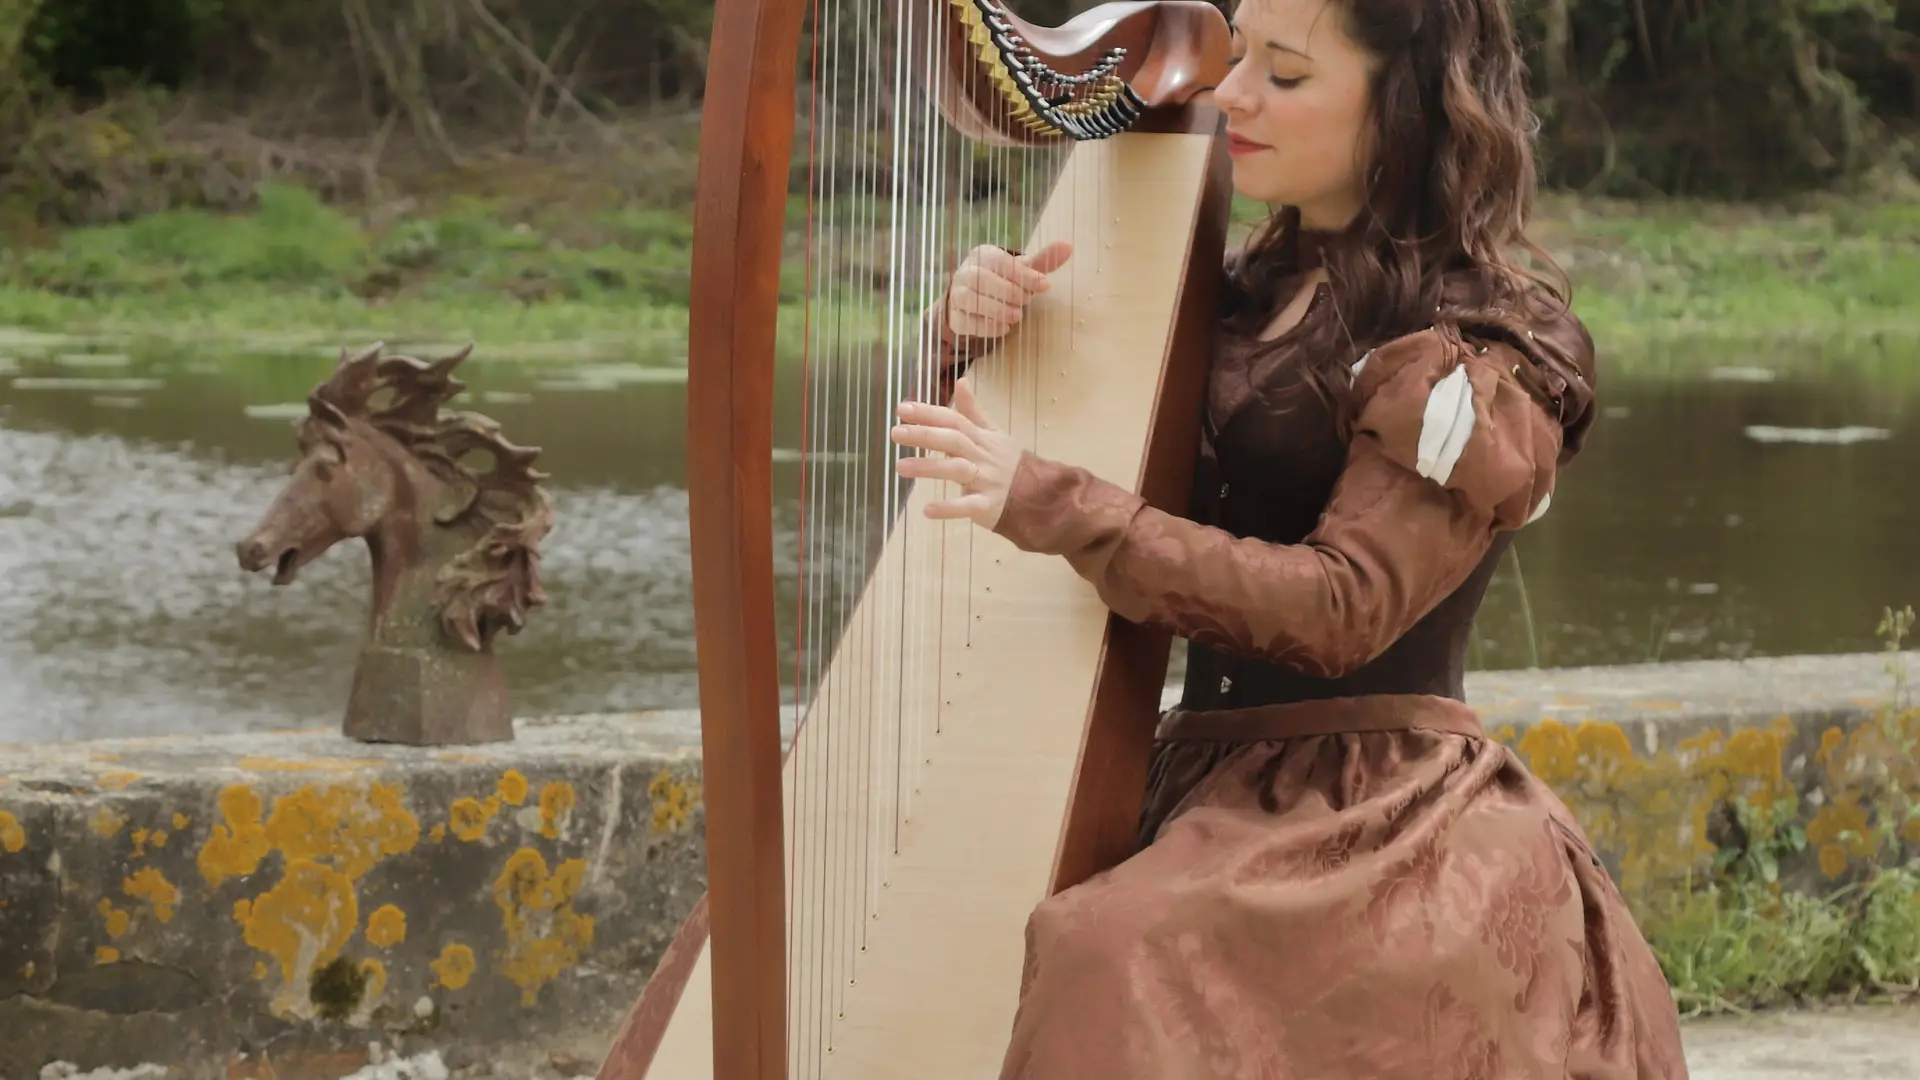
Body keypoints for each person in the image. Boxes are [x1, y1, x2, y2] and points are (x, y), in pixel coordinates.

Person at [888, 0, 1691, 1076]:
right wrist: (972, 341)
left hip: (1369, 798)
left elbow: (1339, 607)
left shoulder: (1481, 344)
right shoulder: (1225, 300)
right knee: (880, 875)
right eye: (1236, 60)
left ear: (1404, 108)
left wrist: (1056, 500)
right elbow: (989, 483)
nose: (1230, 96)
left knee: (1104, 945)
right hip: (1200, 776)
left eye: (1288, 74)